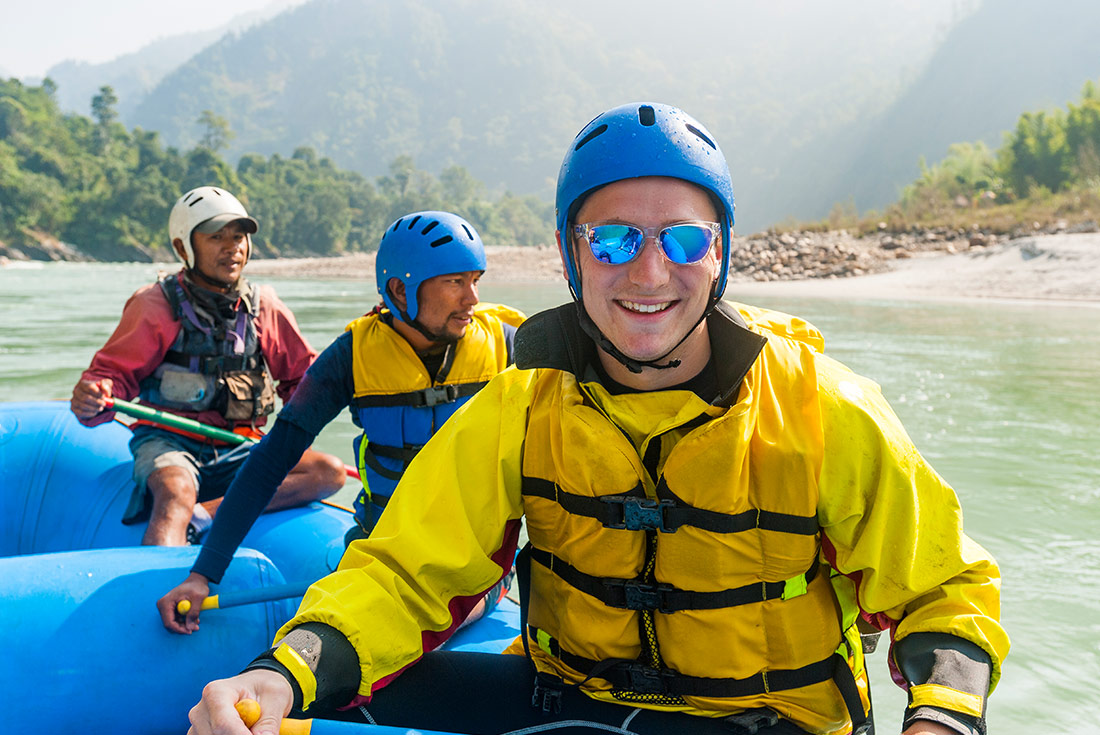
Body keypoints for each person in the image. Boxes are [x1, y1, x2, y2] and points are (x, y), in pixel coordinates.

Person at [186, 104, 1009, 735]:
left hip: (766, 719)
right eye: (612, 240)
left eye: (682, 240)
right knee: (322, 700)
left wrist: (939, 721)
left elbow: (944, 594)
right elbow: (402, 575)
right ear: (569, 252)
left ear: (721, 251)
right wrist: (282, 673)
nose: (648, 273)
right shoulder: (520, 405)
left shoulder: (824, 408)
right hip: (571, 700)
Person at [158, 211, 525, 634]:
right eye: (455, 282)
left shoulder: (507, 346)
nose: (472, 298)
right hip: (381, 552)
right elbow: (271, 461)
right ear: (400, 290)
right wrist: (203, 575)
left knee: (410, 627)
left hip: (474, 564)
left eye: (475, 280)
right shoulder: (352, 355)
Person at [71, 186, 346, 546]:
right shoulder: (154, 305)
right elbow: (111, 376)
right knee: (176, 491)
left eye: (238, 237)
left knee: (328, 472)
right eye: (217, 237)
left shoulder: (264, 307)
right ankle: (159, 570)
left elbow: (304, 382)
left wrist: (292, 433)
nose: (232, 248)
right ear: (183, 247)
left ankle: (204, 517)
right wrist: (95, 394)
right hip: (169, 441)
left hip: (240, 445)